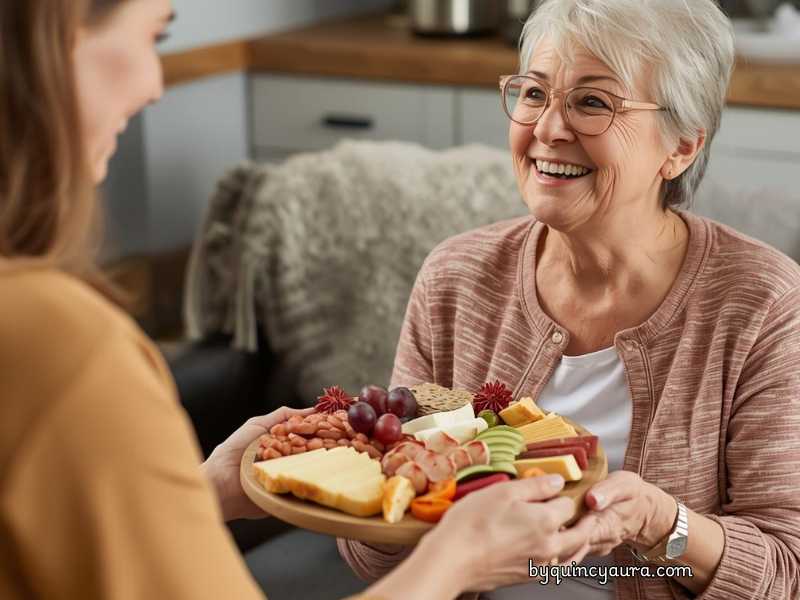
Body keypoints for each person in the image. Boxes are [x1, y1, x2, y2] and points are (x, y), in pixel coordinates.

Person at [0, 1, 599, 599]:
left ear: (684, 146)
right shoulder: (64, 346)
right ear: (52, 39)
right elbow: (379, 545)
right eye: (153, 34)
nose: (157, 85)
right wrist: (456, 559)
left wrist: (673, 538)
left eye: (595, 102)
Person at [339, 0, 800, 599]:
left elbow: (785, 573)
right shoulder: (456, 278)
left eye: (592, 102)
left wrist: (663, 525)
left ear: (681, 146)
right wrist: (379, 490)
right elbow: (378, 565)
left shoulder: (762, 305)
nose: (548, 129)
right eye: (533, 94)